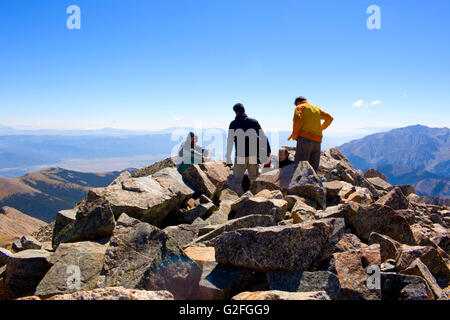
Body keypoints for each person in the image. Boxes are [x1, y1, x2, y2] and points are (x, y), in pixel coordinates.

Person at [226, 103, 271, 193]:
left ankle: (236, 198)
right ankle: (254, 197)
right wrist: (268, 151)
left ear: (235, 112)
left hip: (240, 155)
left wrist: (228, 158)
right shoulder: (253, 122)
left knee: (237, 180)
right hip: (253, 154)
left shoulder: (234, 123)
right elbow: (263, 136)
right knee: (253, 179)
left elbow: (230, 141)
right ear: (244, 110)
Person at [288, 96, 333, 171]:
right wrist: (321, 128)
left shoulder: (299, 107)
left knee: (301, 166)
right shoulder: (316, 109)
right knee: (313, 166)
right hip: (317, 140)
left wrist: (295, 135)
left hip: (305, 139)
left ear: (298, 102)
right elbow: (330, 118)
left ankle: (299, 182)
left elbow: (297, 120)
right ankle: (313, 182)